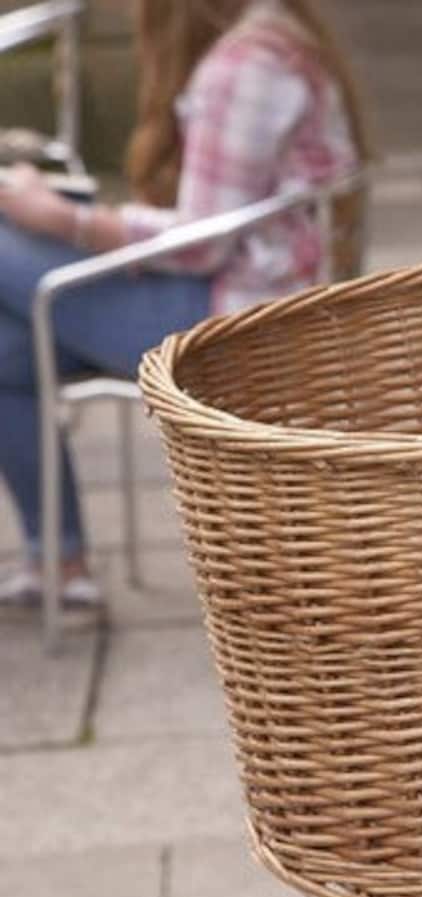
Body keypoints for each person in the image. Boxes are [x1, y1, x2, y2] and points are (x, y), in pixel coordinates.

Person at [0, 0, 370, 607]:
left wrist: (66, 218)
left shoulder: (245, 66)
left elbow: (201, 242)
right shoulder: (278, 33)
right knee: (6, 349)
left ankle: (57, 561)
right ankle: (57, 567)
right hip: (262, 298)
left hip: (240, 322)